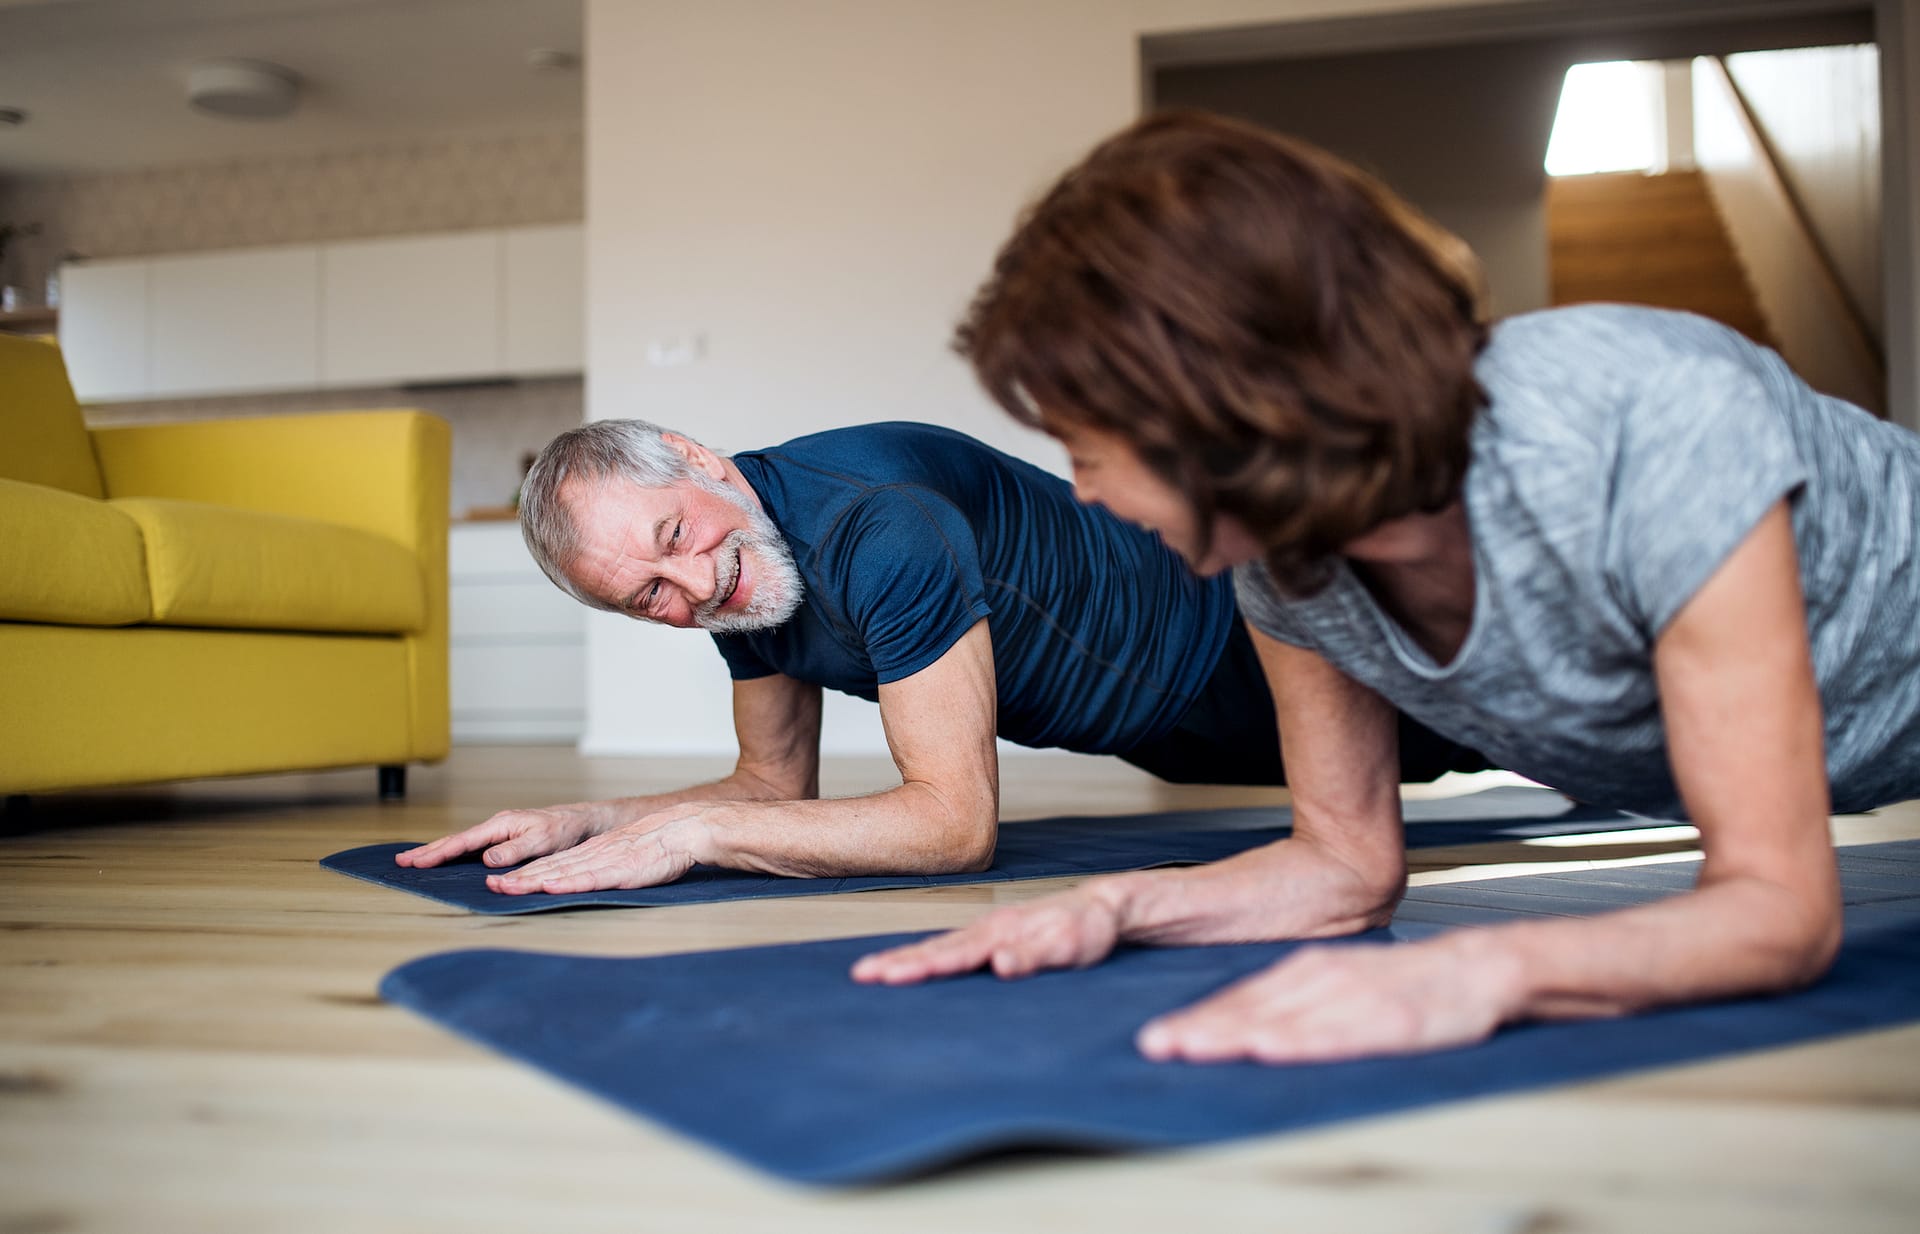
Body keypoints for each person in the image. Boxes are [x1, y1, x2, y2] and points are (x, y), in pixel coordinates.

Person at [853, 110, 1920, 1064]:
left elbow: (1778, 910)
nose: (1084, 496)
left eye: (1087, 449)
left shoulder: (1651, 420)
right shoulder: (1286, 572)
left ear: (1214, 401)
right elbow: (1343, 869)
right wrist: (1112, 905)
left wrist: (1472, 973)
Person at [398, 418, 1484, 893]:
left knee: (1516, 726)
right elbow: (772, 784)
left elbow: (955, 825)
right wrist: (597, 818)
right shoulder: (742, 579)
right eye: (649, 599)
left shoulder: (878, 527)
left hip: (1245, 652)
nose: (690, 590)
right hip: (1170, 733)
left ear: (695, 458)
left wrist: (703, 832)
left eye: (672, 540)